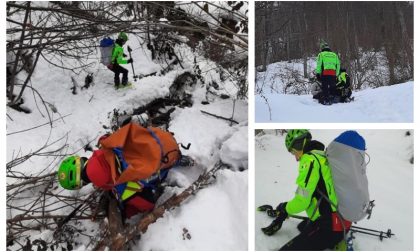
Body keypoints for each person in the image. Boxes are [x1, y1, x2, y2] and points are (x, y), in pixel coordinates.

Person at [57, 122, 193, 219]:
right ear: (80, 160)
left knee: (137, 192)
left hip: (164, 160)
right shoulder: (106, 145)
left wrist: (124, 208)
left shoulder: (117, 184)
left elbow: (146, 204)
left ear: (80, 183)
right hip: (163, 139)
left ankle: (168, 172)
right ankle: (177, 159)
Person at [259, 129, 351, 250]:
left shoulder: (309, 160)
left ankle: (336, 241)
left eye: (293, 152)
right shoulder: (322, 155)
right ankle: (335, 238)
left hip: (330, 227)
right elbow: (309, 192)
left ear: (299, 145)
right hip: (342, 219)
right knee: (303, 227)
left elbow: (302, 201)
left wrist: (284, 207)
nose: (296, 158)